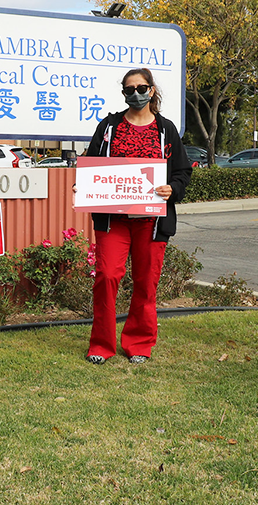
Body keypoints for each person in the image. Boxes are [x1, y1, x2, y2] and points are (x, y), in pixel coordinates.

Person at [81, 68, 193, 364]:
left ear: (151, 90)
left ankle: (139, 343)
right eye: (129, 90)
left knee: (146, 282)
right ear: (123, 94)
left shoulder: (166, 130)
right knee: (107, 276)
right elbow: (92, 164)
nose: (135, 94)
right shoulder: (109, 127)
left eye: (141, 88)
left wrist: (173, 189)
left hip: (152, 222)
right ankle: (101, 345)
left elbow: (183, 171)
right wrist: (86, 184)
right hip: (113, 221)